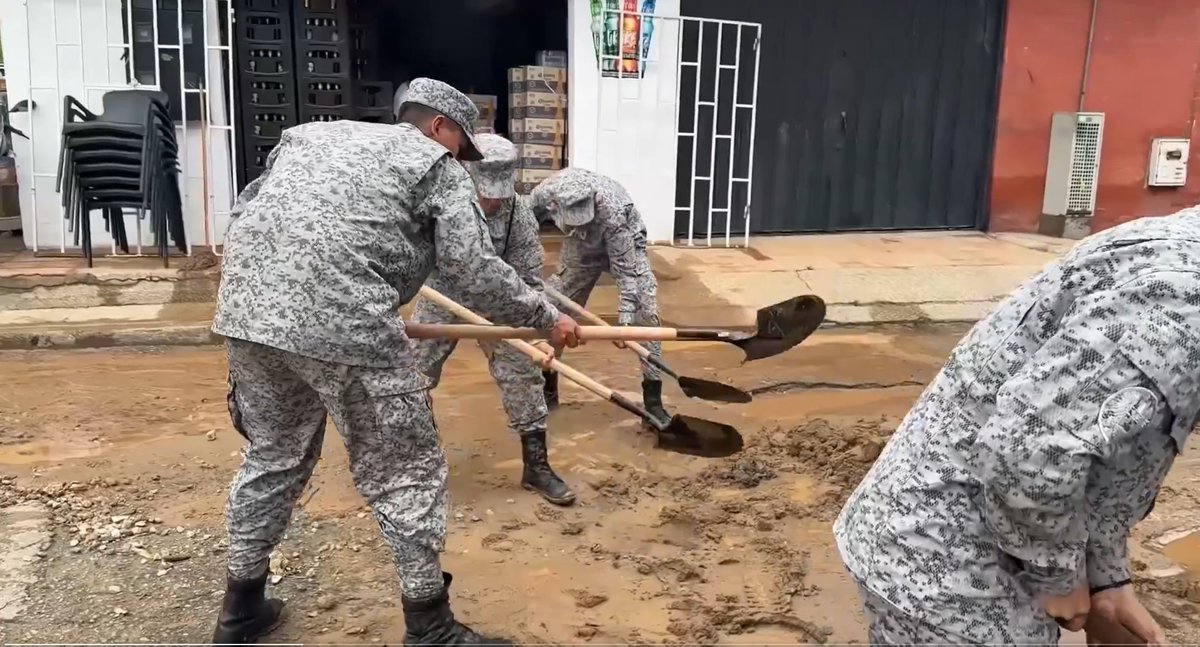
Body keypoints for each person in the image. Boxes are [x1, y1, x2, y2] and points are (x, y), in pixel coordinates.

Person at [209, 77, 581, 646]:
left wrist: (288, 291)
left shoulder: (307, 137)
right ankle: (430, 628)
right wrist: (546, 318)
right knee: (405, 472)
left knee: (274, 455)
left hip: (246, 315)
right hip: (346, 324)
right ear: (439, 126)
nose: (463, 158)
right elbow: (473, 270)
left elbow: (243, 216)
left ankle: (241, 610)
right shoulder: (436, 163)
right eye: (463, 143)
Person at [834, 206, 1200, 645]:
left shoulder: (1181, 243)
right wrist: (1058, 573)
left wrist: (1105, 578)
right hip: (953, 577)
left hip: (932, 543)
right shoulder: (1186, 305)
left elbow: (1109, 448)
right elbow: (1029, 455)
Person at [411, 133, 575, 506]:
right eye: (486, 192)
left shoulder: (518, 214)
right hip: (443, 295)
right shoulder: (439, 201)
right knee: (413, 375)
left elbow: (529, 278)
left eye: (499, 192)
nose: (492, 200)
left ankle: (536, 466)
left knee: (523, 372)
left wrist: (537, 325)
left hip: (500, 297)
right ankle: (417, 464)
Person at [529, 168, 670, 424]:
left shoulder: (612, 212)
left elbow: (628, 274)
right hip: (580, 245)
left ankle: (653, 401)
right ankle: (547, 386)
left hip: (626, 244)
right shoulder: (543, 193)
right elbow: (522, 224)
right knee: (554, 310)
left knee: (646, 315)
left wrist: (625, 321)